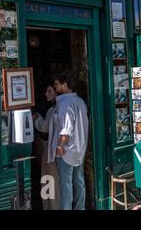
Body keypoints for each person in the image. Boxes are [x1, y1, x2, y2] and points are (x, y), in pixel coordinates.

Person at [48, 72, 89, 210]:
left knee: (66, 185)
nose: (55, 86)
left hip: (66, 150)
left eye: (57, 83)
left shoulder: (65, 103)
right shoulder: (80, 101)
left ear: (65, 84)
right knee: (79, 182)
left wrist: (60, 146)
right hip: (79, 149)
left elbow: (66, 129)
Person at [33, 85, 60, 210]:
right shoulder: (60, 108)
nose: (46, 94)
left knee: (48, 180)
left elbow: (44, 127)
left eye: (49, 91)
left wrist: (37, 118)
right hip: (56, 152)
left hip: (51, 150)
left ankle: (49, 206)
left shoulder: (53, 110)